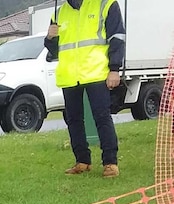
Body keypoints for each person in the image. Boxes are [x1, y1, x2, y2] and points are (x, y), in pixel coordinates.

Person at [45, 0, 126, 178]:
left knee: (102, 117)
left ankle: (110, 162)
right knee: (73, 120)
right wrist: (50, 38)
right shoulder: (59, 13)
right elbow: (54, 51)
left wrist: (114, 69)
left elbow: (117, 38)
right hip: (69, 75)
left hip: (96, 72)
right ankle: (82, 161)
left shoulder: (105, 4)